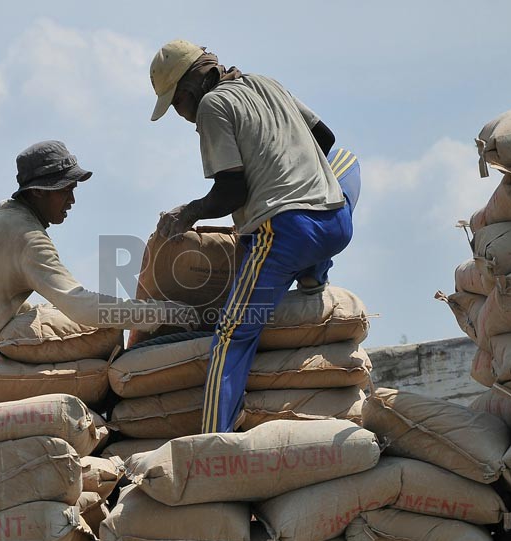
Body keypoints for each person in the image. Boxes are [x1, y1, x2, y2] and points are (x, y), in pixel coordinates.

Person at [149, 39, 359, 433]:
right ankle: (314, 272)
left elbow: (232, 192)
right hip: (335, 222)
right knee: (348, 163)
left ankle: (215, 439)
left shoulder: (212, 106)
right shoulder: (267, 83)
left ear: (189, 90)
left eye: (175, 104)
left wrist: (189, 213)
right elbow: (326, 142)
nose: (181, 115)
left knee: (230, 334)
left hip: (285, 234)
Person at [0, 140, 195, 402]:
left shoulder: (4, 221)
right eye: (65, 190)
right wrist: (162, 313)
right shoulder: (26, 237)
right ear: (38, 191)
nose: (72, 200)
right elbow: (80, 305)